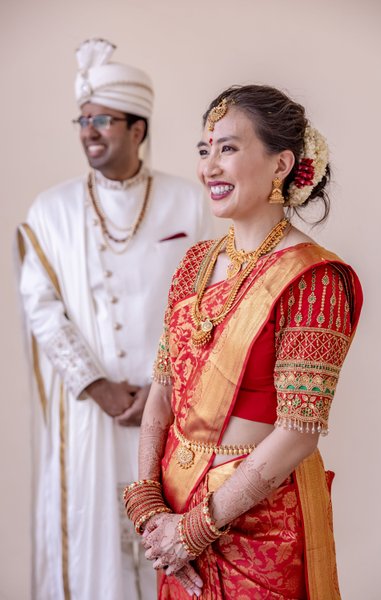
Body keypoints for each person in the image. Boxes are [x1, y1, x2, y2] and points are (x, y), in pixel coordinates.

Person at [124, 85, 363, 599]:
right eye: (204, 150)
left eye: (228, 148)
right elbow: (160, 394)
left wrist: (196, 528)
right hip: (173, 516)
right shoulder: (194, 263)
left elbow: (298, 431)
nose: (210, 166)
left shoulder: (314, 279)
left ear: (281, 164)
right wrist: (147, 504)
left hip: (257, 528)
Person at [17, 38, 213, 600]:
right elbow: (42, 309)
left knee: (176, 540)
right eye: (82, 120)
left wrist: (164, 388)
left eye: (102, 119)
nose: (89, 131)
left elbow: (213, 300)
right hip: (89, 415)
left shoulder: (190, 202)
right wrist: (96, 384)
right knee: (91, 543)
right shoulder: (49, 212)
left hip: (174, 408)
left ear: (138, 129)